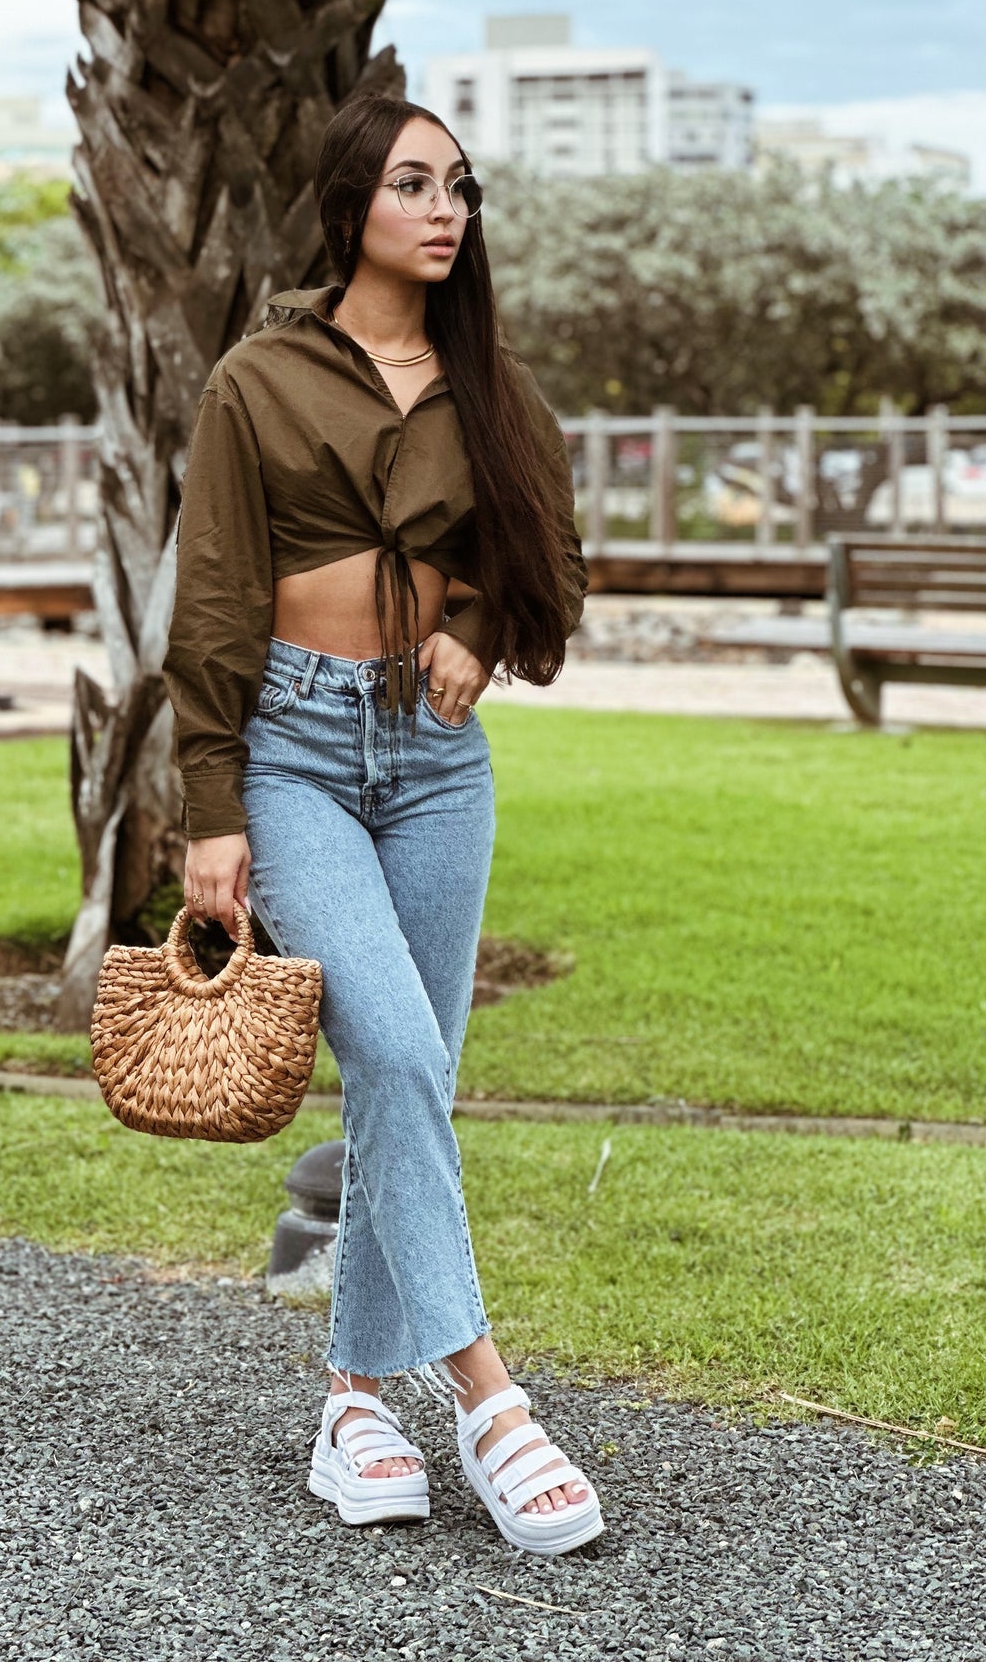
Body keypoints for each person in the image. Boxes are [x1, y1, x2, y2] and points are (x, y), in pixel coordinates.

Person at [162, 92, 601, 1556]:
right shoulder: (260, 378)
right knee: (398, 1051)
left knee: (413, 1082)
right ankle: (489, 1402)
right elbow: (214, 593)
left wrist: (476, 624)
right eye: (414, 183)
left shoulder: (487, 382)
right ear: (351, 199)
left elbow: (543, 545)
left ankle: (353, 1401)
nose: (443, 209)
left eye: (460, 190)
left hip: (434, 759)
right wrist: (211, 804)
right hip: (289, 749)